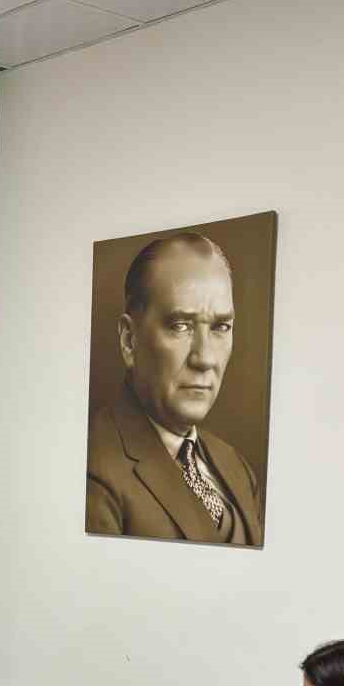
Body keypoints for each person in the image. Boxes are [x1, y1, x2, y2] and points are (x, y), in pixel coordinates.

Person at [86, 233, 264, 545]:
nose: (205, 358)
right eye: (180, 326)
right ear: (130, 340)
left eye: (221, 327)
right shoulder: (93, 471)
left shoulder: (235, 467)